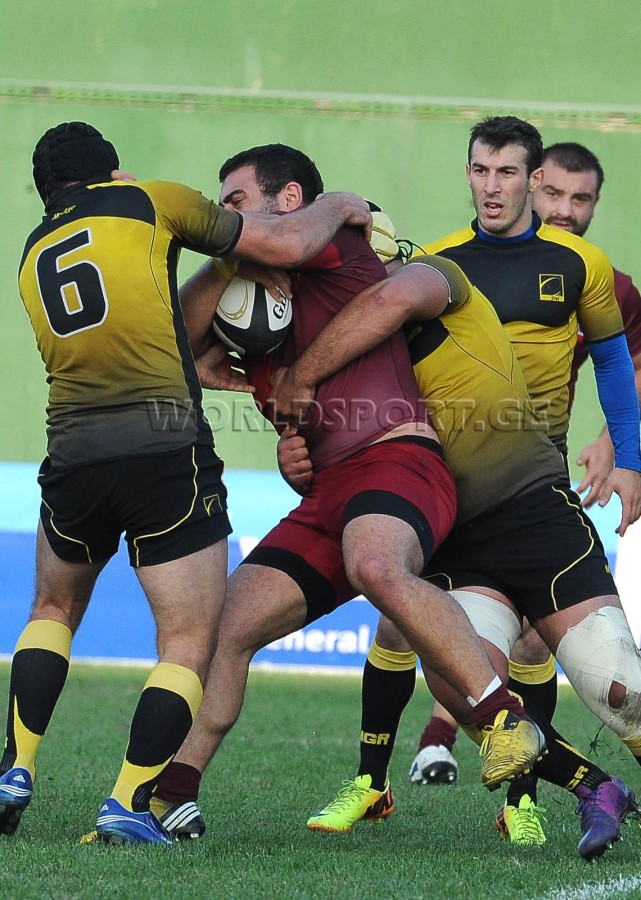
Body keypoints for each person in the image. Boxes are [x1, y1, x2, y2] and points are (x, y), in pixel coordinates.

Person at [150, 143, 549, 839]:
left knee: (375, 567)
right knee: (226, 626)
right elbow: (177, 339)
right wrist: (230, 266)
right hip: (326, 497)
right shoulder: (253, 295)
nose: (223, 214)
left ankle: (501, 720)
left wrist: (335, 204)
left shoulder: (335, 241)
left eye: (236, 201)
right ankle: (172, 794)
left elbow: (297, 247)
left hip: (398, 462)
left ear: (289, 200)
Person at [0, 122, 374, 846]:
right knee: (188, 638)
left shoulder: (33, 249)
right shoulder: (150, 200)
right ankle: (126, 804)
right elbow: (283, 245)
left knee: (51, 606)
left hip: (72, 453)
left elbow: (155, 316)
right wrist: (340, 204)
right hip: (164, 451)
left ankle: (15, 768)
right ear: (113, 173)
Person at [414, 140, 641, 839]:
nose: (492, 185)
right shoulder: (432, 265)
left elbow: (618, 364)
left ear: (529, 179)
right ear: (467, 174)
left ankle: (545, 796)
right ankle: (596, 787)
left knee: (622, 690)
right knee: (470, 689)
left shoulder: (584, 266)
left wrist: (626, 455)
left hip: (540, 505)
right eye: (480, 170)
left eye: (507, 172)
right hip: (456, 517)